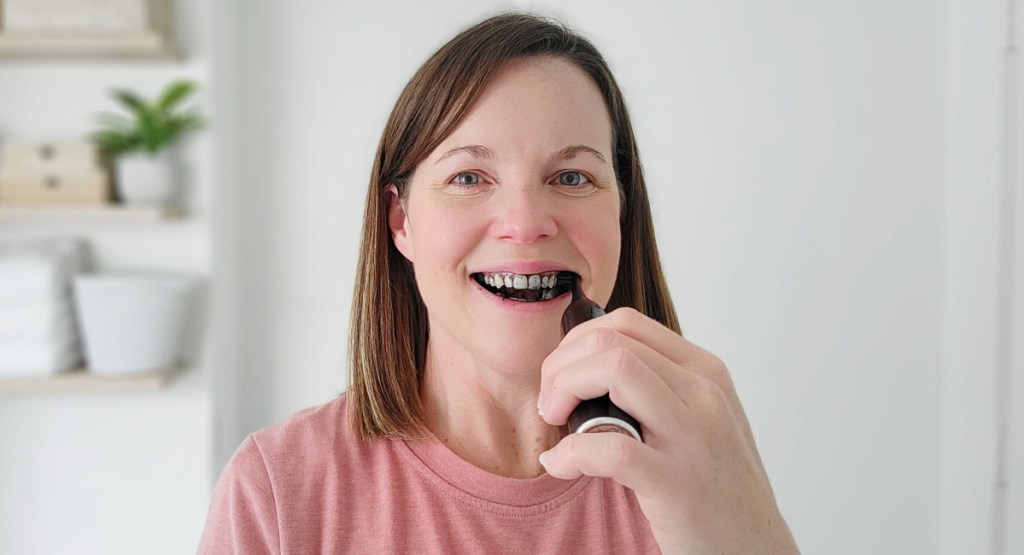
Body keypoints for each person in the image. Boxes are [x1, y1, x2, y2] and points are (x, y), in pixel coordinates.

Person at [199, 12, 799, 554]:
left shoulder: (697, 468)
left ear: (621, 211)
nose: (527, 224)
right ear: (401, 220)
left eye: (571, 176)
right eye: (469, 177)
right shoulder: (278, 490)